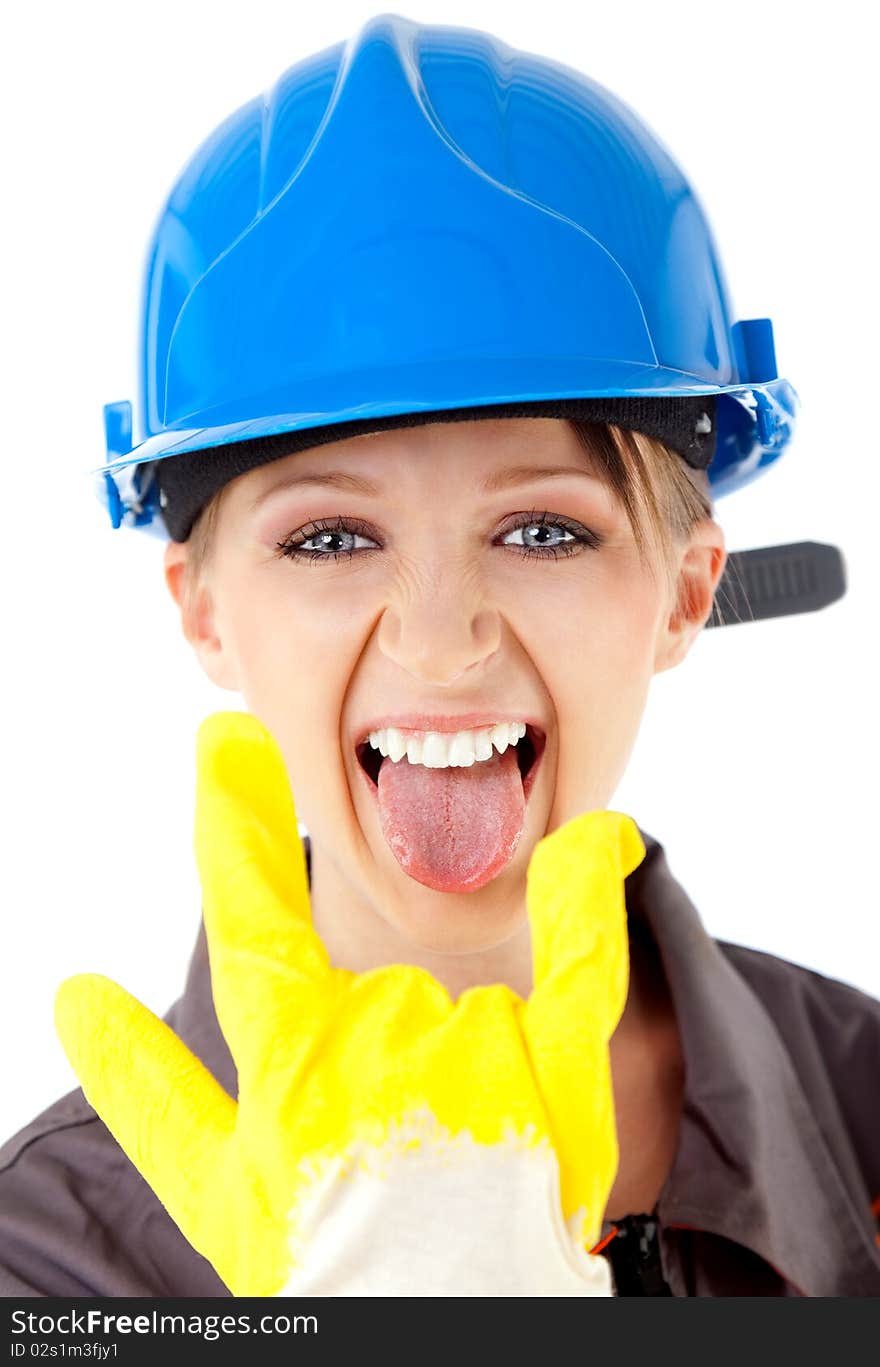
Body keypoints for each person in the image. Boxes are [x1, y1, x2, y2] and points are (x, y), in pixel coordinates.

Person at [1, 14, 877, 1298]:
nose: (442, 639)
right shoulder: (50, 1252)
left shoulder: (863, 1110)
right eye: (330, 537)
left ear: (685, 591)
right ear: (202, 610)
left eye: (541, 529)